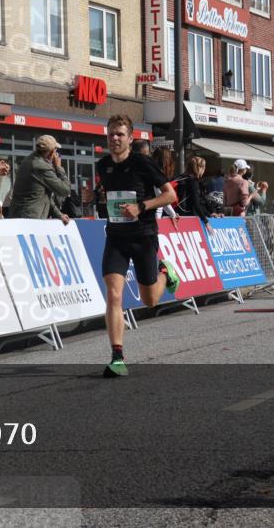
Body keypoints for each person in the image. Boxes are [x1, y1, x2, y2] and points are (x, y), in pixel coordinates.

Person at [96, 114, 179, 378]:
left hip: (143, 236)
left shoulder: (142, 163)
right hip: (116, 237)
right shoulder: (103, 165)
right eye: (111, 133)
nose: (115, 138)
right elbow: (108, 202)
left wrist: (142, 206)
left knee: (150, 300)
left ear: (130, 138)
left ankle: (165, 273)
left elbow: (170, 194)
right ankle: (117, 356)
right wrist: (93, 199)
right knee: (114, 295)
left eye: (120, 134)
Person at [8, 135, 71, 223]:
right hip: (30, 220)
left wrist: (59, 214)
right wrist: (58, 167)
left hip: (21, 215)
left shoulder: (28, 160)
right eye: (56, 150)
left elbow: (43, 195)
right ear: (52, 152)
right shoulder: (41, 167)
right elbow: (65, 190)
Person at [173, 156, 213, 227]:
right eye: (204, 167)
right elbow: (196, 203)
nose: (204, 169)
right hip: (189, 217)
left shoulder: (181, 177)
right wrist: (206, 221)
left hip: (177, 214)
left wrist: (210, 213)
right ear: (200, 168)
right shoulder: (193, 181)